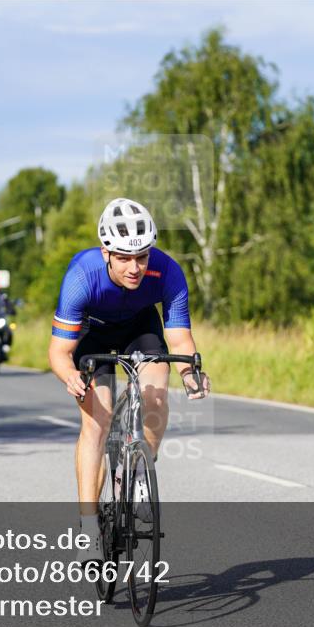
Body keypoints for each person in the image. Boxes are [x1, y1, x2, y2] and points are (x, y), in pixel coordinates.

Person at [47, 198, 211, 564]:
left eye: (142, 257)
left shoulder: (167, 272)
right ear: (106, 251)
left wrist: (190, 374)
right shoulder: (81, 276)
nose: (134, 267)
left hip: (141, 329)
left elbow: (181, 341)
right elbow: (59, 351)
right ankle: (89, 526)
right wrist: (70, 375)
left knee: (155, 398)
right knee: (97, 422)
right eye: (123, 258)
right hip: (93, 335)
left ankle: (140, 472)